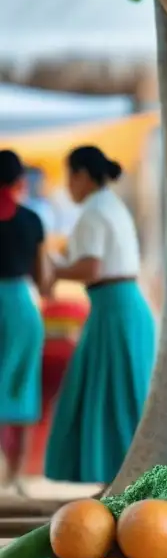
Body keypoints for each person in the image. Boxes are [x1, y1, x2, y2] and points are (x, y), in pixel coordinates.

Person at [45, 145, 156, 485]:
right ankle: (121, 479)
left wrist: (53, 268)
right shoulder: (110, 205)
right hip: (120, 307)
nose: (68, 186)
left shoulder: (95, 211)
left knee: (111, 397)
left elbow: (91, 267)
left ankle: (122, 478)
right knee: (116, 395)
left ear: (81, 175)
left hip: (114, 311)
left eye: (70, 177)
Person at [0, 150, 51, 492]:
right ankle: (16, 476)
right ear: (20, 182)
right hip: (21, 308)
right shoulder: (32, 220)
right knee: (22, 386)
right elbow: (44, 277)